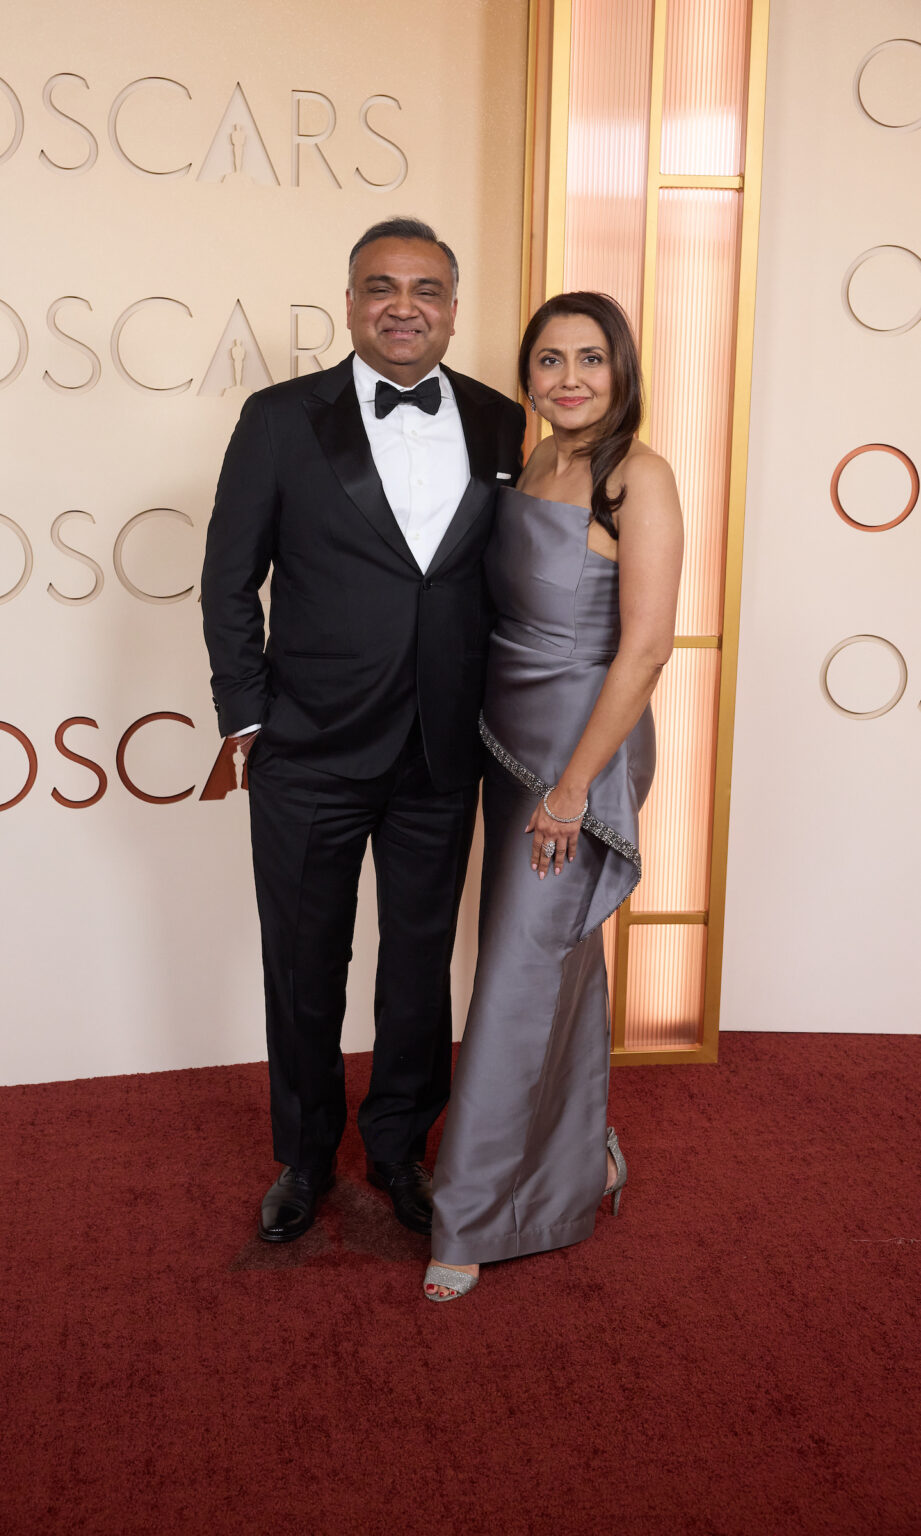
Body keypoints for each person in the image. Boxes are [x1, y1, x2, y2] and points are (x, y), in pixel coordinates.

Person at [201, 217, 526, 1244]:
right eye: (381, 287)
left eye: (425, 290)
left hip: (443, 748)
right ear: (349, 304)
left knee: (419, 966)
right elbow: (227, 580)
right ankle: (304, 1158)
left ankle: (397, 1150)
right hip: (307, 750)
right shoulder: (277, 419)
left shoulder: (501, 421)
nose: (403, 306)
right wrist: (249, 718)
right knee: (304, 965)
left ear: (452, 308)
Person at [423, 292, 683, 1300]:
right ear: (527, 374)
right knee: (547, 962)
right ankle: (579, 1161)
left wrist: (574, 791)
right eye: (548, 359)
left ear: (620, 371)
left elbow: (646, 648)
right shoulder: (531, 462)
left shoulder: (636, 476)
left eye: (589, 358)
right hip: (505, 743)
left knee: (519, 973)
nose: (568, 378)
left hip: (580, 756)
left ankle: (474, 1213)